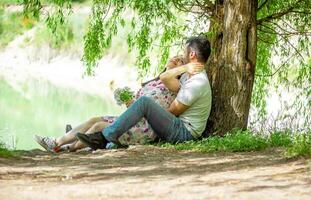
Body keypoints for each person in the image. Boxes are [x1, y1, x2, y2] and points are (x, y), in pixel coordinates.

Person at [76, 36, 212, 150]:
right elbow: (164, 77)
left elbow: (172, 112)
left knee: (145, 103)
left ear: (192, 54)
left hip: (184, 133)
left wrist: (149, 114)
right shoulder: (188, 75)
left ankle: (105, 136)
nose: (182, 55)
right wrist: (183, 67)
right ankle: (103, 137)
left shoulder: (197, 83)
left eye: (184, 51)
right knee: (144, 104)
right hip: (178, 125)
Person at [34, 56, 185, 152]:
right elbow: (138, 106)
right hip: (131, 121)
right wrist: (128, 100)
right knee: (95, 120)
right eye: (176, 57)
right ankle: (57, 141)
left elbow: (165, 77)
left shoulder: (175, 85)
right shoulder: (155, 83)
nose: (176, 59)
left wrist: (179, 68)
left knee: (98, 127)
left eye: (181, 61)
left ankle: (68, 148)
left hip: (144, 129)